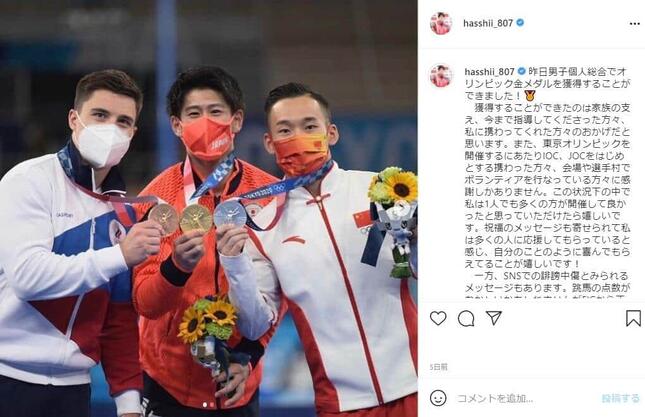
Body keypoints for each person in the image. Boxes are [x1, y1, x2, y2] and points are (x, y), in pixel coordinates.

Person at [217, 83, 418, 417]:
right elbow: (254, 326)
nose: (298, 137)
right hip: (341, 404)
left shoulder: (381, 190)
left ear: (331, 133)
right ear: (269, 143)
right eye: (285, 130)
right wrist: (233, 262)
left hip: (418, 383)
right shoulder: (264, 227)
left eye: (309, 126)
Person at [0, 69, 162, 417]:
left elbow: (118, 319)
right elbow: (27, 277)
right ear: (74, 119)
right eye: (100, 115)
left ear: (133, 134)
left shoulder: (123, 212)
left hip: (73, 392)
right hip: (8, 379)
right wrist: (119, 255)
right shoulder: (29, 181)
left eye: (123, 122)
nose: (111, 129)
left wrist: (129, 406)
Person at [132, 66, 280, 417]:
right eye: (194, 114)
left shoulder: (270, 196)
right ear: (176, 125)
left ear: (236, 120)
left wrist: (250, 355)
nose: (206, 123)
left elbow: (277, 296)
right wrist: (175, 269)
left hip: (237, 384)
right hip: (166, 385)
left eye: (216, 112)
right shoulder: (155, 199)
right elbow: (144, 302)